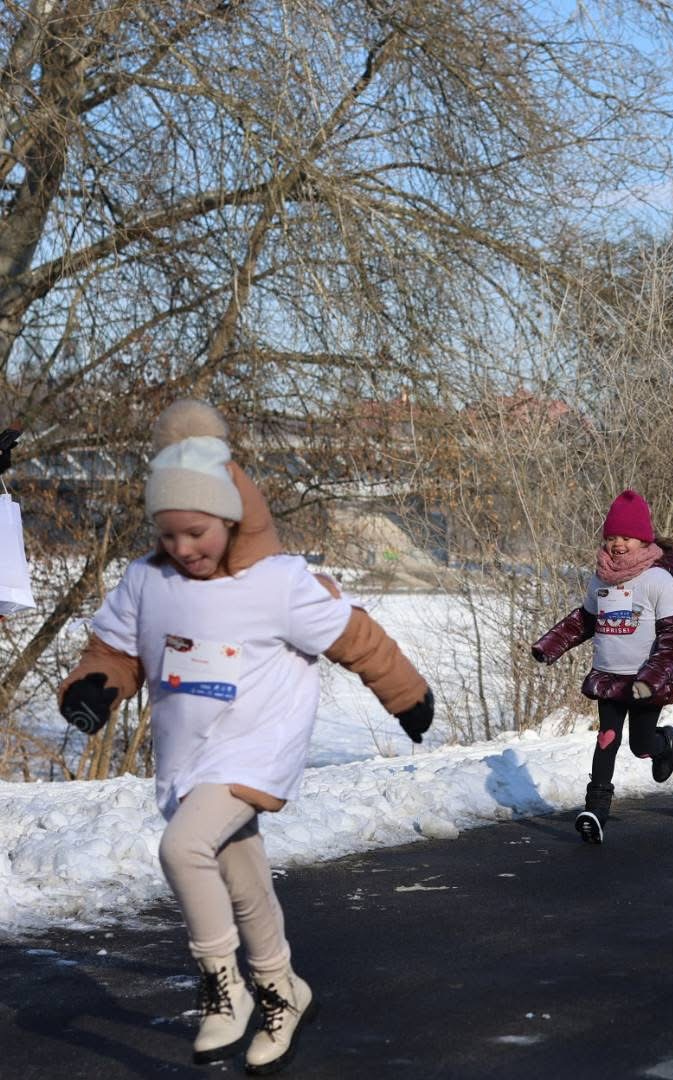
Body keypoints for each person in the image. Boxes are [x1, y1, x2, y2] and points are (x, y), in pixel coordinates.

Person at [56, 401, 433, 1072]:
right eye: (168, 535)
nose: (183, 549)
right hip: (188, 758)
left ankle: (221, 987)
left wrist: (407, 696)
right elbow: (115, 653)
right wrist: (94, 688)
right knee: (243, 879)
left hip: (258, 747)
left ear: (230, 518)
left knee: (183, 847)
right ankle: (282, 989)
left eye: (196, 532)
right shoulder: (147, 582)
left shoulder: (280, 584)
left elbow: (355, 636)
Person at [532, 490, 673, 844]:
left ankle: (663, 743)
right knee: (606, 739)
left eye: (626, 538)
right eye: (612, 537)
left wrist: (651, 680)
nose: (618, 544)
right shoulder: (601, 578)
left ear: (642, 539)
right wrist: (549, 646)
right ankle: (595, 811)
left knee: (640, 746)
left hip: (647, 682)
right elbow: (585, 620)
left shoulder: (658, 581)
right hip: (608, 678)